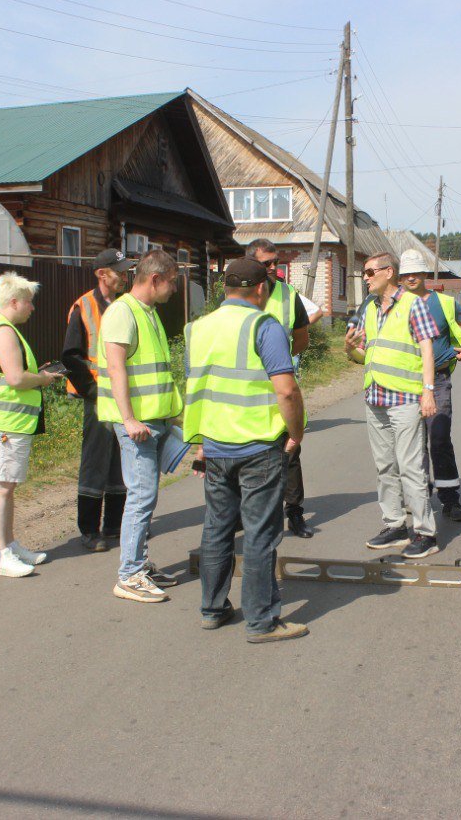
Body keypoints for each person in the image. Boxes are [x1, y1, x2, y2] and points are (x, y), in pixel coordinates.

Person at [185, 258, 309, 643]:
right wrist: (296, 433)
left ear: (225, 288)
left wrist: (200, 442)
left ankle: (213, 608)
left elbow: (198, 386)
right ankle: (261, 621)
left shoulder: (197, 328)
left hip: (215, 444)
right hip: (257, 446)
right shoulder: (264, 326)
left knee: (217, 528)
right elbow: (286, 389)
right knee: (259, 533)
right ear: (261, 290)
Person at [99, 249, 184, 603]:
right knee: (141, 495)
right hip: (136, 424)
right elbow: (116, 367)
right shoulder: (123, 312)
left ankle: (140, 564)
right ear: (155, 279)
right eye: (173, 283)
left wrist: (174, 415)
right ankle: (129, 574)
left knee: (146, 495)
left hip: (154, 420)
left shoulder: (146, 312)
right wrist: (129, 418)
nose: (175, 291)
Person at [344, 251, 441, 558]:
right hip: (376, 397)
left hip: (406, 398)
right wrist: (350, 349)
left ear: (389, 272)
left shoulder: (413, 304)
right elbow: (366, 355)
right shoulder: (370, 308)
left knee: (411, 466)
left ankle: (425, 533)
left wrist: (428, 391)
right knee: (385, 466)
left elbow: (427, 348)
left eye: (370, 272)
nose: (366, 277)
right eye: (365, 273)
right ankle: (395, 525)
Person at [0, 272, 60, 578]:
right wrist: (45, 379)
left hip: (7, 424)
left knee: (6, 487)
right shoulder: (4, 332)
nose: (32, 308)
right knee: (0, 488)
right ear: (14, 302)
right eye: (29, 303)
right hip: (3, 425)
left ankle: (8, 545)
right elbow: (16, 379)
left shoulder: (2, 329)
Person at [396, 248, 461, 523]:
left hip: (440, 380)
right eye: (406, 274)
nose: (411, 278)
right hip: (406, 382)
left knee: (440, 439)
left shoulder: (444, 303)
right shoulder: (395, 305)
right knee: (411, 445)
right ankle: (417, 498)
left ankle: (450, 500)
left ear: (424, 274)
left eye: (415, 273)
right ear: (400, 276)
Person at [63, 247, 133, 552]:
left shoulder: (123, 305)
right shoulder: (83, 306)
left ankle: (114, 526)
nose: (125, 276)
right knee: (94, 462)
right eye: (119, 271)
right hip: (96, 398)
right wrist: (93, 393)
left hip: (122, 398)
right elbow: (71, 357)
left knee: (119, 462)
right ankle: (89, 530)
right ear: (101, 274)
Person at [247, 239, 313, 538]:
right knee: (247, 451)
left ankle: (295, 512)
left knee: (290, 447)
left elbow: (302, 338)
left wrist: (283, 361)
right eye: (266, 263)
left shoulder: (288, 295)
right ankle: (246, 513)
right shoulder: (240, 292)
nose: (273, 268)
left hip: (280, 383)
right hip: (247, 388)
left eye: (275, 262)